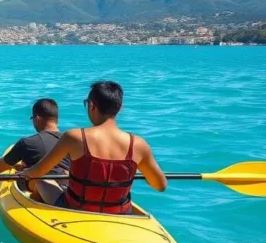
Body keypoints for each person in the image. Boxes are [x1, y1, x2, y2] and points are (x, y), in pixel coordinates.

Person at [20, 81, 167, 214]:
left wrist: (26, 172)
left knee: (41, 180)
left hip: (75, 208)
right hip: (120, 212)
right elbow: (160, 185)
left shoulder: (74, 137)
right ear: (120, 108)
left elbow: (38, 171)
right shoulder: (139, 144)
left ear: (92, 106)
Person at [0, 98, 71, 203]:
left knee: (24, 177)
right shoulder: (72, 142)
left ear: (37, 118)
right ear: (56, 119)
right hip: (68, 184)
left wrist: (17, 168)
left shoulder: (27, 143)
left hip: (42, 186)